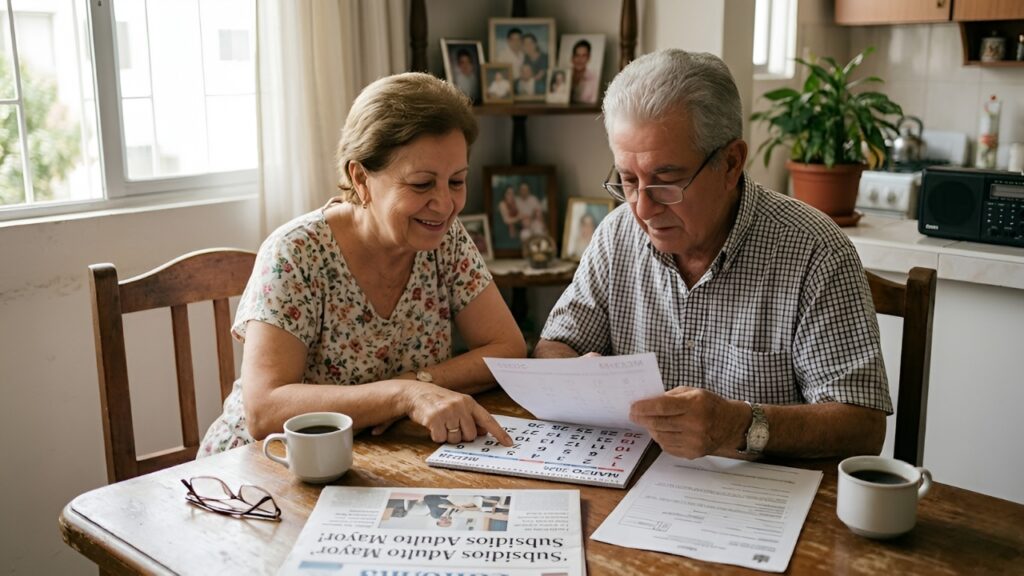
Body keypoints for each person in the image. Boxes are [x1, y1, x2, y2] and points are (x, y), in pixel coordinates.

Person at [535, 49, 891, 462]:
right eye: (628, 181)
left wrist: (739, 425)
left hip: (765, 501)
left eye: (666, 181)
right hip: (638, 486)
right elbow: (555, 345)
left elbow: (862, 427)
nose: (643, 209)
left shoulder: (814, 252)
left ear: (731, 163)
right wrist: (574, 372)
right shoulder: (616, 236)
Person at [199, 73, 524, 456]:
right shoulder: (296, 253)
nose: (444, 204)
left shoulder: (446, 241)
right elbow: (264, 410)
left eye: (456, 181)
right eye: (421, 184)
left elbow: (507, 348)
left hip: (372, 456)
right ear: (360, 177)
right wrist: (402, 395)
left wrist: (419, 383)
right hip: (261, 466)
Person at [569, 39, 599, 104]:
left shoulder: (593, 79)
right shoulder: (564, 75)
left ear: (588, 58)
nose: (580, 60)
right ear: (572, 57)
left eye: (583, 56)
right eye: (577, 55)